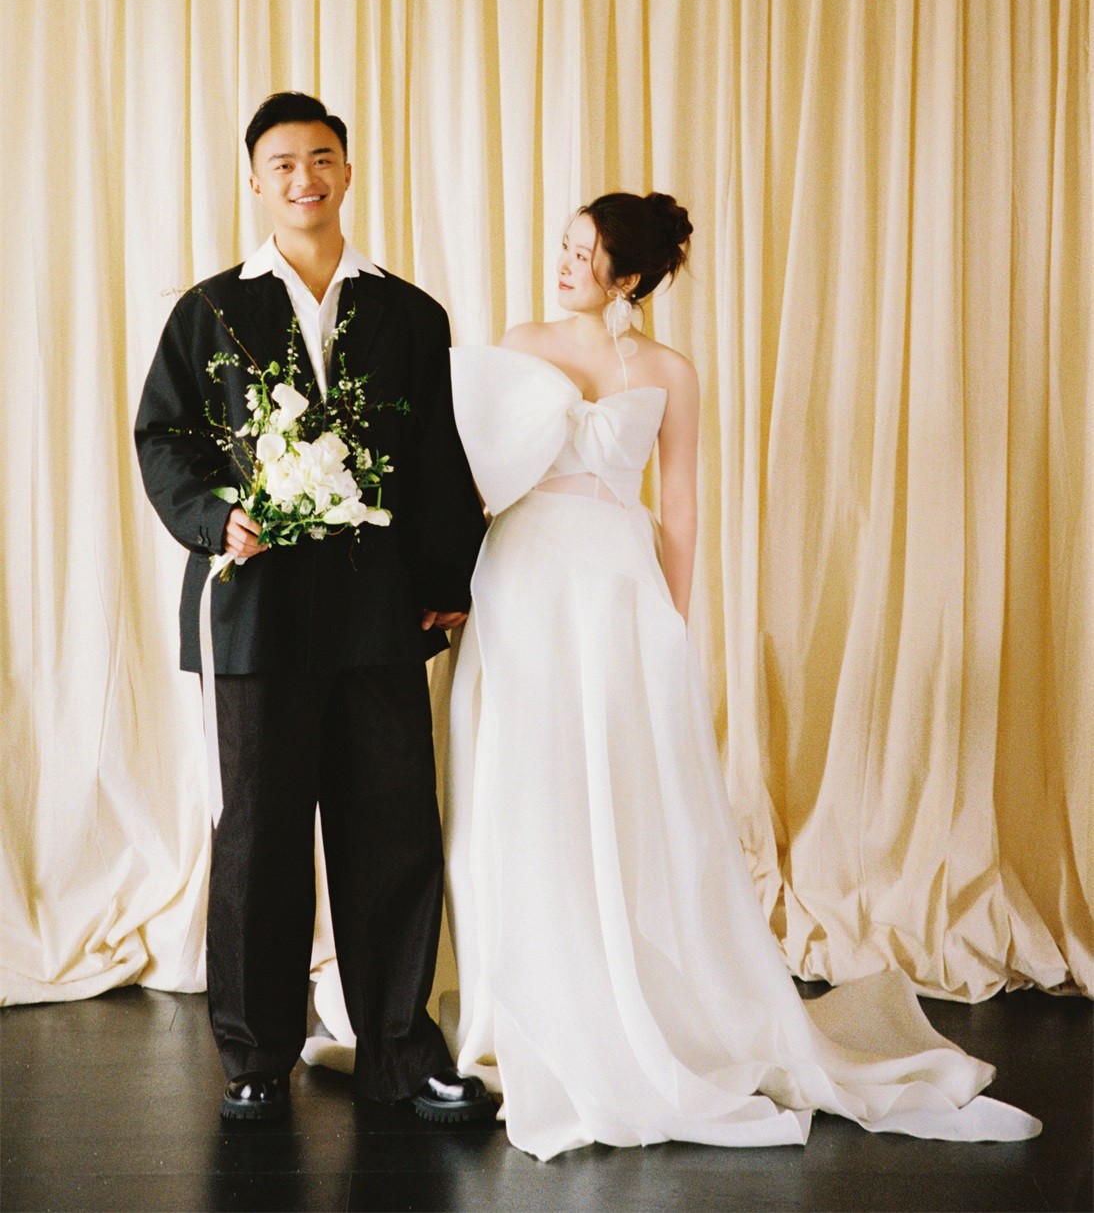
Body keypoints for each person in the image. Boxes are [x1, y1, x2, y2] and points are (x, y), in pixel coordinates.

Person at [439, 191, 1041, 1160]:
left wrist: (671, 621)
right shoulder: (520, 341)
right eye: (563, 246)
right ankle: (520, 999)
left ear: (628, 278)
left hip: (613, 584)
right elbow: (476, 474)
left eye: (584, 254)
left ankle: (632, 998)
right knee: (520, 775)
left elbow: (678, 502)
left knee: (621, 785)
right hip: (520, 573)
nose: (563, 264)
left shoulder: (669, 371)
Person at [135, 91, 494, 1125]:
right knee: (259, 840)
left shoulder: (410, 314)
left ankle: (399, 1051)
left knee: (393, 836)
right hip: (255, 617)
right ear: (255, 180)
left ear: (347, 169)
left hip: (380, 615)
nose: (306, 178)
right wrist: (217, 518)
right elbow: (164, 438)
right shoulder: (208, 311)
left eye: (323, 157)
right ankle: (256, 1055)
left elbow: (437, 454)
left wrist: (446, 582)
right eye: (285, 163)